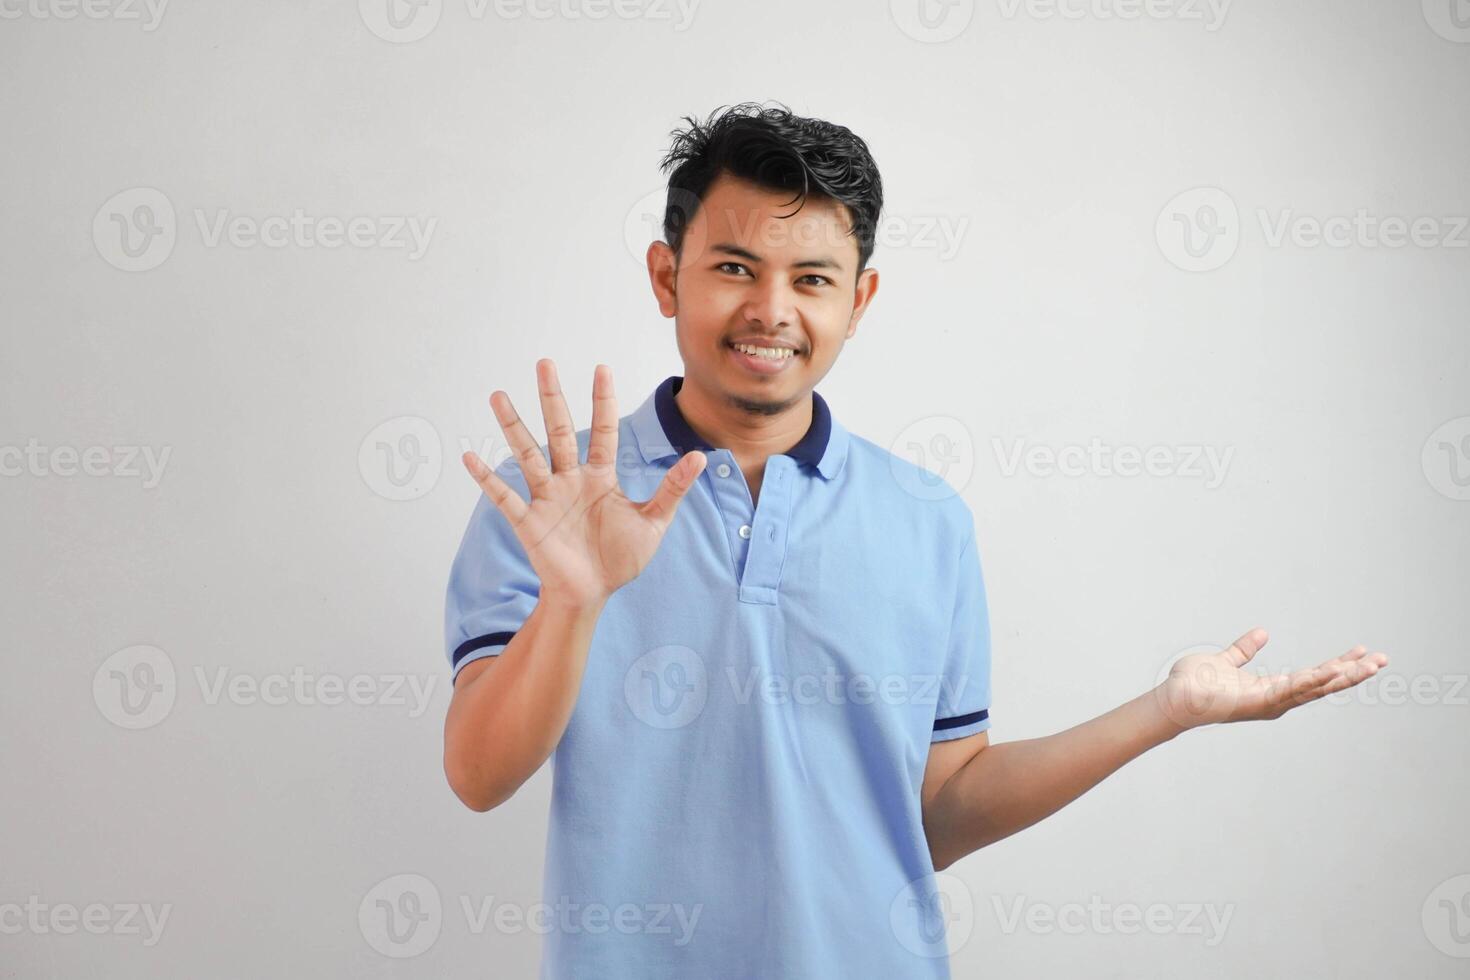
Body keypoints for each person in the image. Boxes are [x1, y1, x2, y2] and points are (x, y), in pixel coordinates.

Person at [441, 101, 1388, 979]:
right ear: (665, 276)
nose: (772, 308)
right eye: (734, 266)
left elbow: (937, 809)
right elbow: (479, 778)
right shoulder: (550, 503)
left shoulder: (926, 520)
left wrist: (1163, 711)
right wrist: (574, 601)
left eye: (812, 279)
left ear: (860, 300)